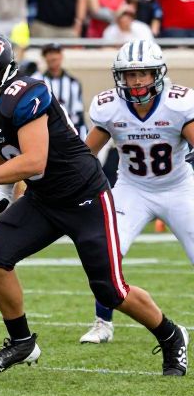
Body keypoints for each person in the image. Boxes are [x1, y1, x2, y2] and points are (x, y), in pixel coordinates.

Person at [0, 29, 188, 375]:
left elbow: (34, 161)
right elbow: (5, 147)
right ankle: (22, 342)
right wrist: (5, 193)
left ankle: (171, 335)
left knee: (110, 290)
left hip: (84, 196)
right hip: (44, 198)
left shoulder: (28, 94)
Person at [80, 41, 194, 344]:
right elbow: (86, 154)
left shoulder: (178, 103)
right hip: (133, 188)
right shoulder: (111, 107)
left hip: (179, 187)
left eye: (143, 73)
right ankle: (102, 323)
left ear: (157, 73)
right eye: (130, 75)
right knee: (106, 253)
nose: (137, 81)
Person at [41, 43, 87, 139]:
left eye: (56, 53)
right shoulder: (37, 81)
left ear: (61, 56)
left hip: (68, 131)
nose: (53, 57)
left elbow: (78, 113)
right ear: (44, 57)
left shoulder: (73, 83)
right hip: (45, 131)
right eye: (49, 53)